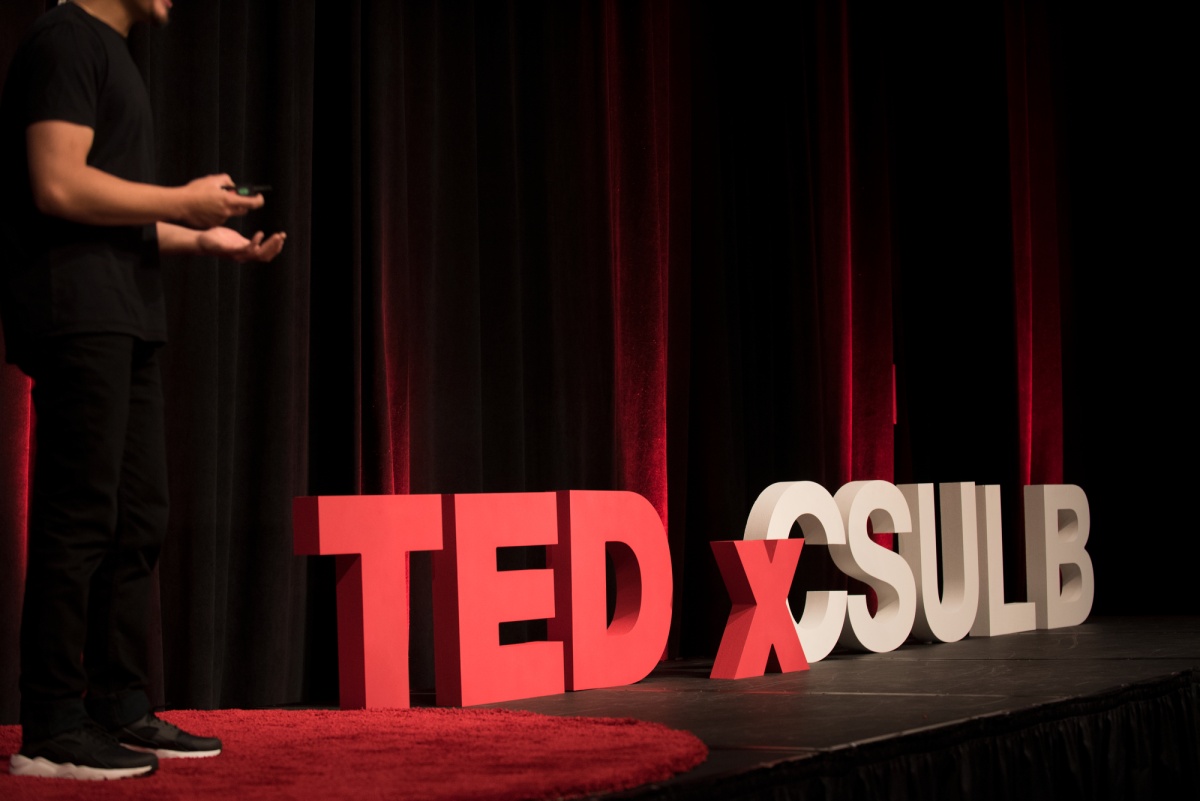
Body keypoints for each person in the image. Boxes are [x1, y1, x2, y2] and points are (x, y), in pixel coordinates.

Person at [0, 0, 286, 780]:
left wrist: (205, 235)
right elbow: (57, 185)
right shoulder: (64, 39)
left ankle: (116, 704)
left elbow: (110, 212)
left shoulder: (112, 54)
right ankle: (51, 726)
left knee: (139, 514)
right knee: (80, 513)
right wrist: (178, 199)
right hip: (77, 311)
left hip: (124, 313)